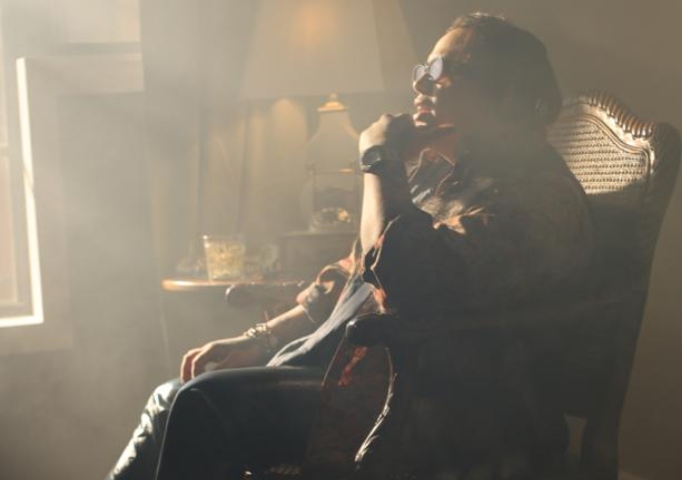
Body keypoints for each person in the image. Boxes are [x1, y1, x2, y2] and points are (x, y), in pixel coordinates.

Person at [107, 12, 593, 480]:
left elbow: (405, 283)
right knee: (172, 395)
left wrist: (380, 159)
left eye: (441, 72)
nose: (421, 86)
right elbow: (356, 271)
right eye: (422, 71)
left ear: (504, 94)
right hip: (366, 380)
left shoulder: (536, 196)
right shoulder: (442, 176)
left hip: (445, 408)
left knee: (203, 402)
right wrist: (263, 336)